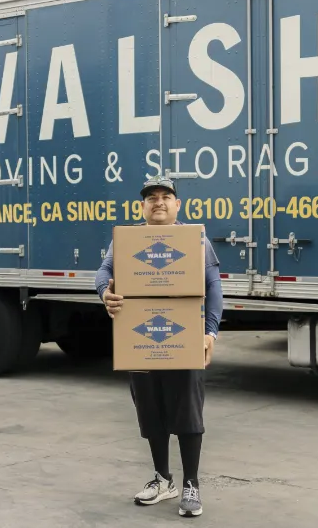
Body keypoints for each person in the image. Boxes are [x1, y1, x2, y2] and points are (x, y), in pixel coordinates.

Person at [95, 175, 223, 518]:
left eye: (166, 196)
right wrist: (105, 294)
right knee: (150, 409)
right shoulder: (126, 240)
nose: (159, 202)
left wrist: (210, 333)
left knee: (188, 411)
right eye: (151, 197)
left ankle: (191, 484)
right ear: (143, 206)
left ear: (177, 204)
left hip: (183, 336)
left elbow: (213, 286)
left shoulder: (196, 240)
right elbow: (103, 271)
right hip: (140, 337)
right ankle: (162, 478)